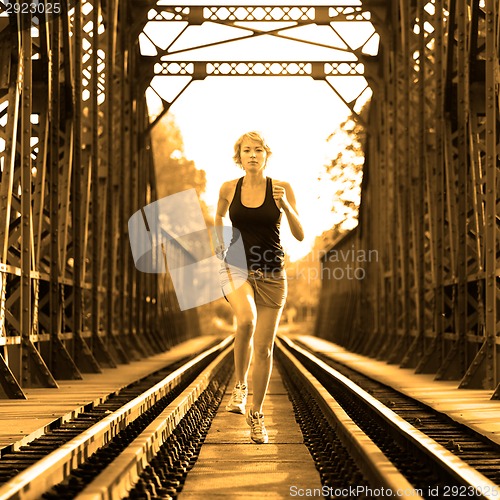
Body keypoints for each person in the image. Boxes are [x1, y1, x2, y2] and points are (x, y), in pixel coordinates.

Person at [214, 131, 304, 444]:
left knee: (264, 348)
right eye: (246, 150)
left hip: (273, 274)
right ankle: (239, 386)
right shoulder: (228, 188)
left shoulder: (282, 188)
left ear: (267, 155)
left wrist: (286, 207)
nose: (253, 155)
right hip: (237, 268)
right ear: (238, 156)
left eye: (258, 150)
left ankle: (256, 414)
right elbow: (218, 217)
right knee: (247, 321)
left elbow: (301, 234)